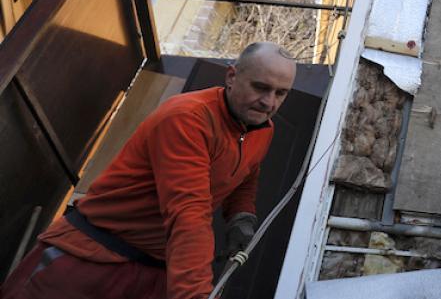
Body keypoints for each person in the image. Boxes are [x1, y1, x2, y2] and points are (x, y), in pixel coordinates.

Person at [1, 42, 297, 299]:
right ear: (232, 76)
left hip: (155, 271)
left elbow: (247, 173)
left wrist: (241, 216)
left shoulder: (261, 128)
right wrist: (195, 294)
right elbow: (188, 212)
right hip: (90, 259)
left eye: (280, 93)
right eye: (260, 87)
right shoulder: (187, 118)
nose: (269, 102)